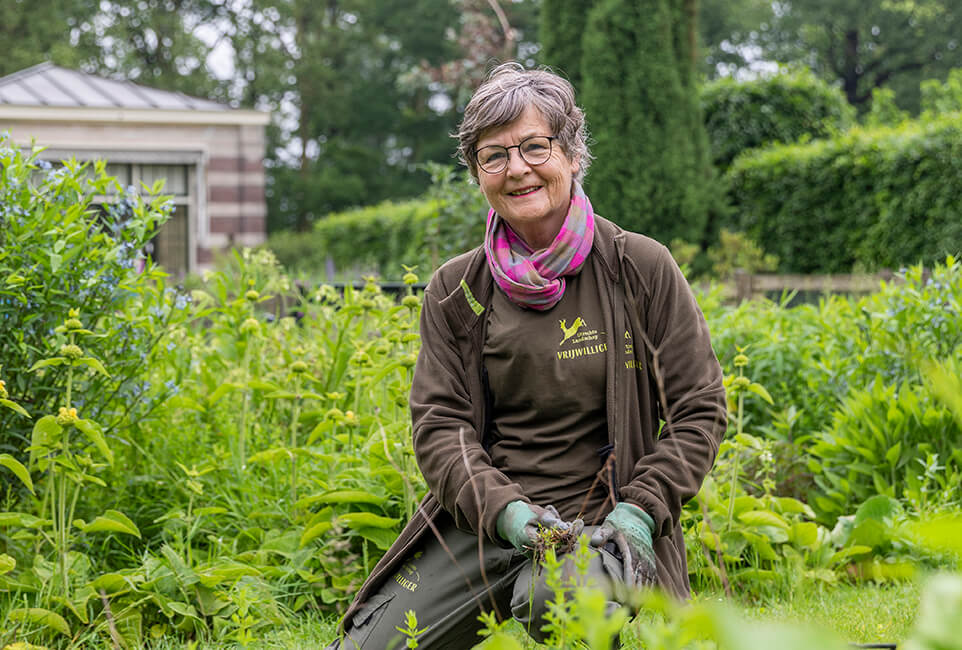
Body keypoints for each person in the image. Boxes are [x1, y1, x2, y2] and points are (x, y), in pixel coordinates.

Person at [326, 62, 727, 649]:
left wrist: (641, 511)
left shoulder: (638, 267)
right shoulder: (456, 289)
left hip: (603, 521)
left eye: (535, 147)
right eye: (494, 156)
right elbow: (439, 428)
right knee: (370, 647)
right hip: (492, 518)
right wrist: (509, 514)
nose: (517, 170)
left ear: (570, 153)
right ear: (477, 172)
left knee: (559, 604)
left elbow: (701, 409)